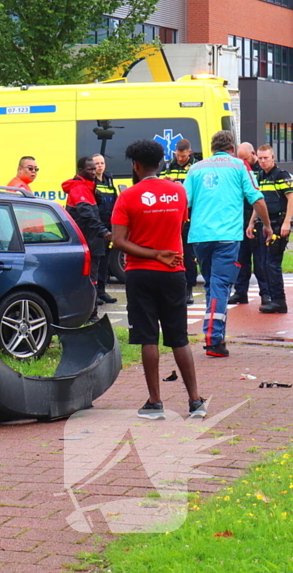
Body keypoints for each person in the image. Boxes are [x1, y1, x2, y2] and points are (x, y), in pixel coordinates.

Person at [112, 139, 207, 420]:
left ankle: (155, 402)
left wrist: (153, 254)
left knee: (148, 337)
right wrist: (164, 253)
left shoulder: (128, 196)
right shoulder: (178, 192)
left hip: (140, 273)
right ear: (161, 162)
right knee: (179, 338)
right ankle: (195, 401)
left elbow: (119, 241)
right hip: (174, 272)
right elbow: (177, 227)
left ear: (135, 165)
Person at [185, 130, 271, 358]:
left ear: (213, 148)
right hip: (227, 236)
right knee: (221, 285)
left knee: (212, 284)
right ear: (232, 148)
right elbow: (257, 199)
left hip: (200, 236)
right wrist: (267, 225)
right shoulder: (240, 167)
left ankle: (216, 335)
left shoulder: (196, 169)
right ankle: (213, 340)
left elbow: (185, 203)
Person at [63, 157, 113, 317]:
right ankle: (90, 315)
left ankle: (90, 313)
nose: (93, 172)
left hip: (91, 240)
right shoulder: (80, 188)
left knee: (92, 278)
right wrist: (104, 232)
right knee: (89, 280)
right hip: (87, 241)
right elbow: (87, 215)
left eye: (94, 169)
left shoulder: (88, 186)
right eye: (90, 169)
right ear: (80, 171)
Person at [251, 144, 293, 314]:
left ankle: (279, 301)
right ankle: (273, 299)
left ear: (273, 158)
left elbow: (291, 199)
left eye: (266, 158)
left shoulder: (281, 175)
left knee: (272, 263)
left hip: (278, 224)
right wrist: (251, 222)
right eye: (260, 158)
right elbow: (258, 202)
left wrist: (287, 222)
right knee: (263, 263)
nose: (263, 161)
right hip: (265, 225)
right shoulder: (259, 176)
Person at [230, 142, 270, 305]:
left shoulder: (263, 171)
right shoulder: (239, 169)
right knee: (241, 258)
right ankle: (240, 292)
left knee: (261, 260)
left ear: (253, 154)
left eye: (245, 159)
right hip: (241, 218)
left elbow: (260, 199)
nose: (243, 162)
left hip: (257, 218)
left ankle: (265, 294)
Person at [161, 139, 200, 305]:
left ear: (189, 152)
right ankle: (173, 288)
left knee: (188, 253)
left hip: (190, 215)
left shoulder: (196, 167)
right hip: (171, 215)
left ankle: (188, 288)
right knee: (171, 250)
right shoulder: (168, 166)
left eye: (184, 156)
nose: (181, 158)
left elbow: (198, 190)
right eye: (179, 155)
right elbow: (160, 185)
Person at [92, 154, 119, 306]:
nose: (100, 166)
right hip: (97, 226)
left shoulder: (108, 180)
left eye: (102, 163)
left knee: (105, 260)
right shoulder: (92, 182)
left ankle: (102, 290)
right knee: (96, 260)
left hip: (109, 224)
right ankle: (95, 292)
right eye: (97, 163)